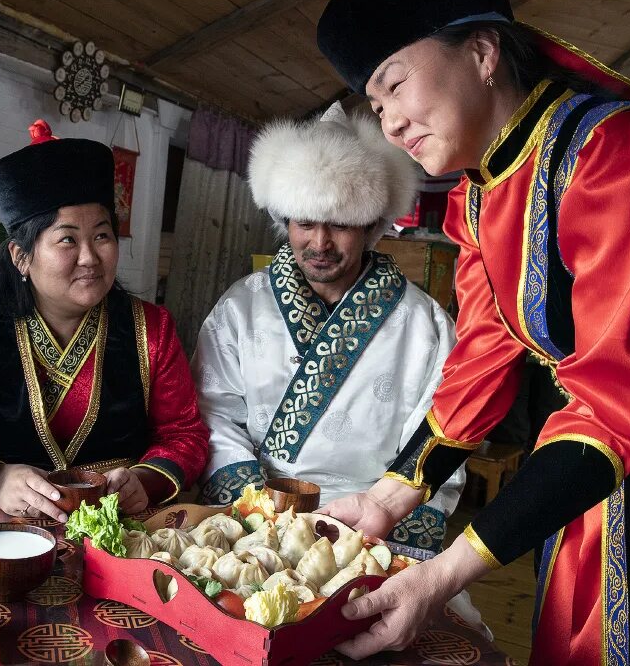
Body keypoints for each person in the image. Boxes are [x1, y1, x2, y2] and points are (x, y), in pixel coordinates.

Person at [314, 0, 630, 665]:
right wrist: (392, 493)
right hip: (603, 452)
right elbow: (484, 355)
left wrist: (440, 577)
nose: (390, 123)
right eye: (374, 106)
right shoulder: (476, 200)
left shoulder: (625, 156)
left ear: (481, 51)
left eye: (396, 84)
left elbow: (610, 394)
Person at [0, 120, 209, 521]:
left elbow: (185, 435)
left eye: (102, 236)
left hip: (120, 531)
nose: (90, 258)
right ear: (21, 256)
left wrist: (143, 481)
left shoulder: (151, 329)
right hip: (1, 536)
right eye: (67, 239)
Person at [193, 102, 464, 553]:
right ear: (284, 222)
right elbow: (213, 413)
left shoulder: (424, 324)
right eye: (305, 223)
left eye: (339, 225)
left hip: (369, 524)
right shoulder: (240, 308)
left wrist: (377, 517)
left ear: (371, 226)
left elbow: (439, 438)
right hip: (256, 517)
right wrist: (256, 508)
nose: (319, 243)